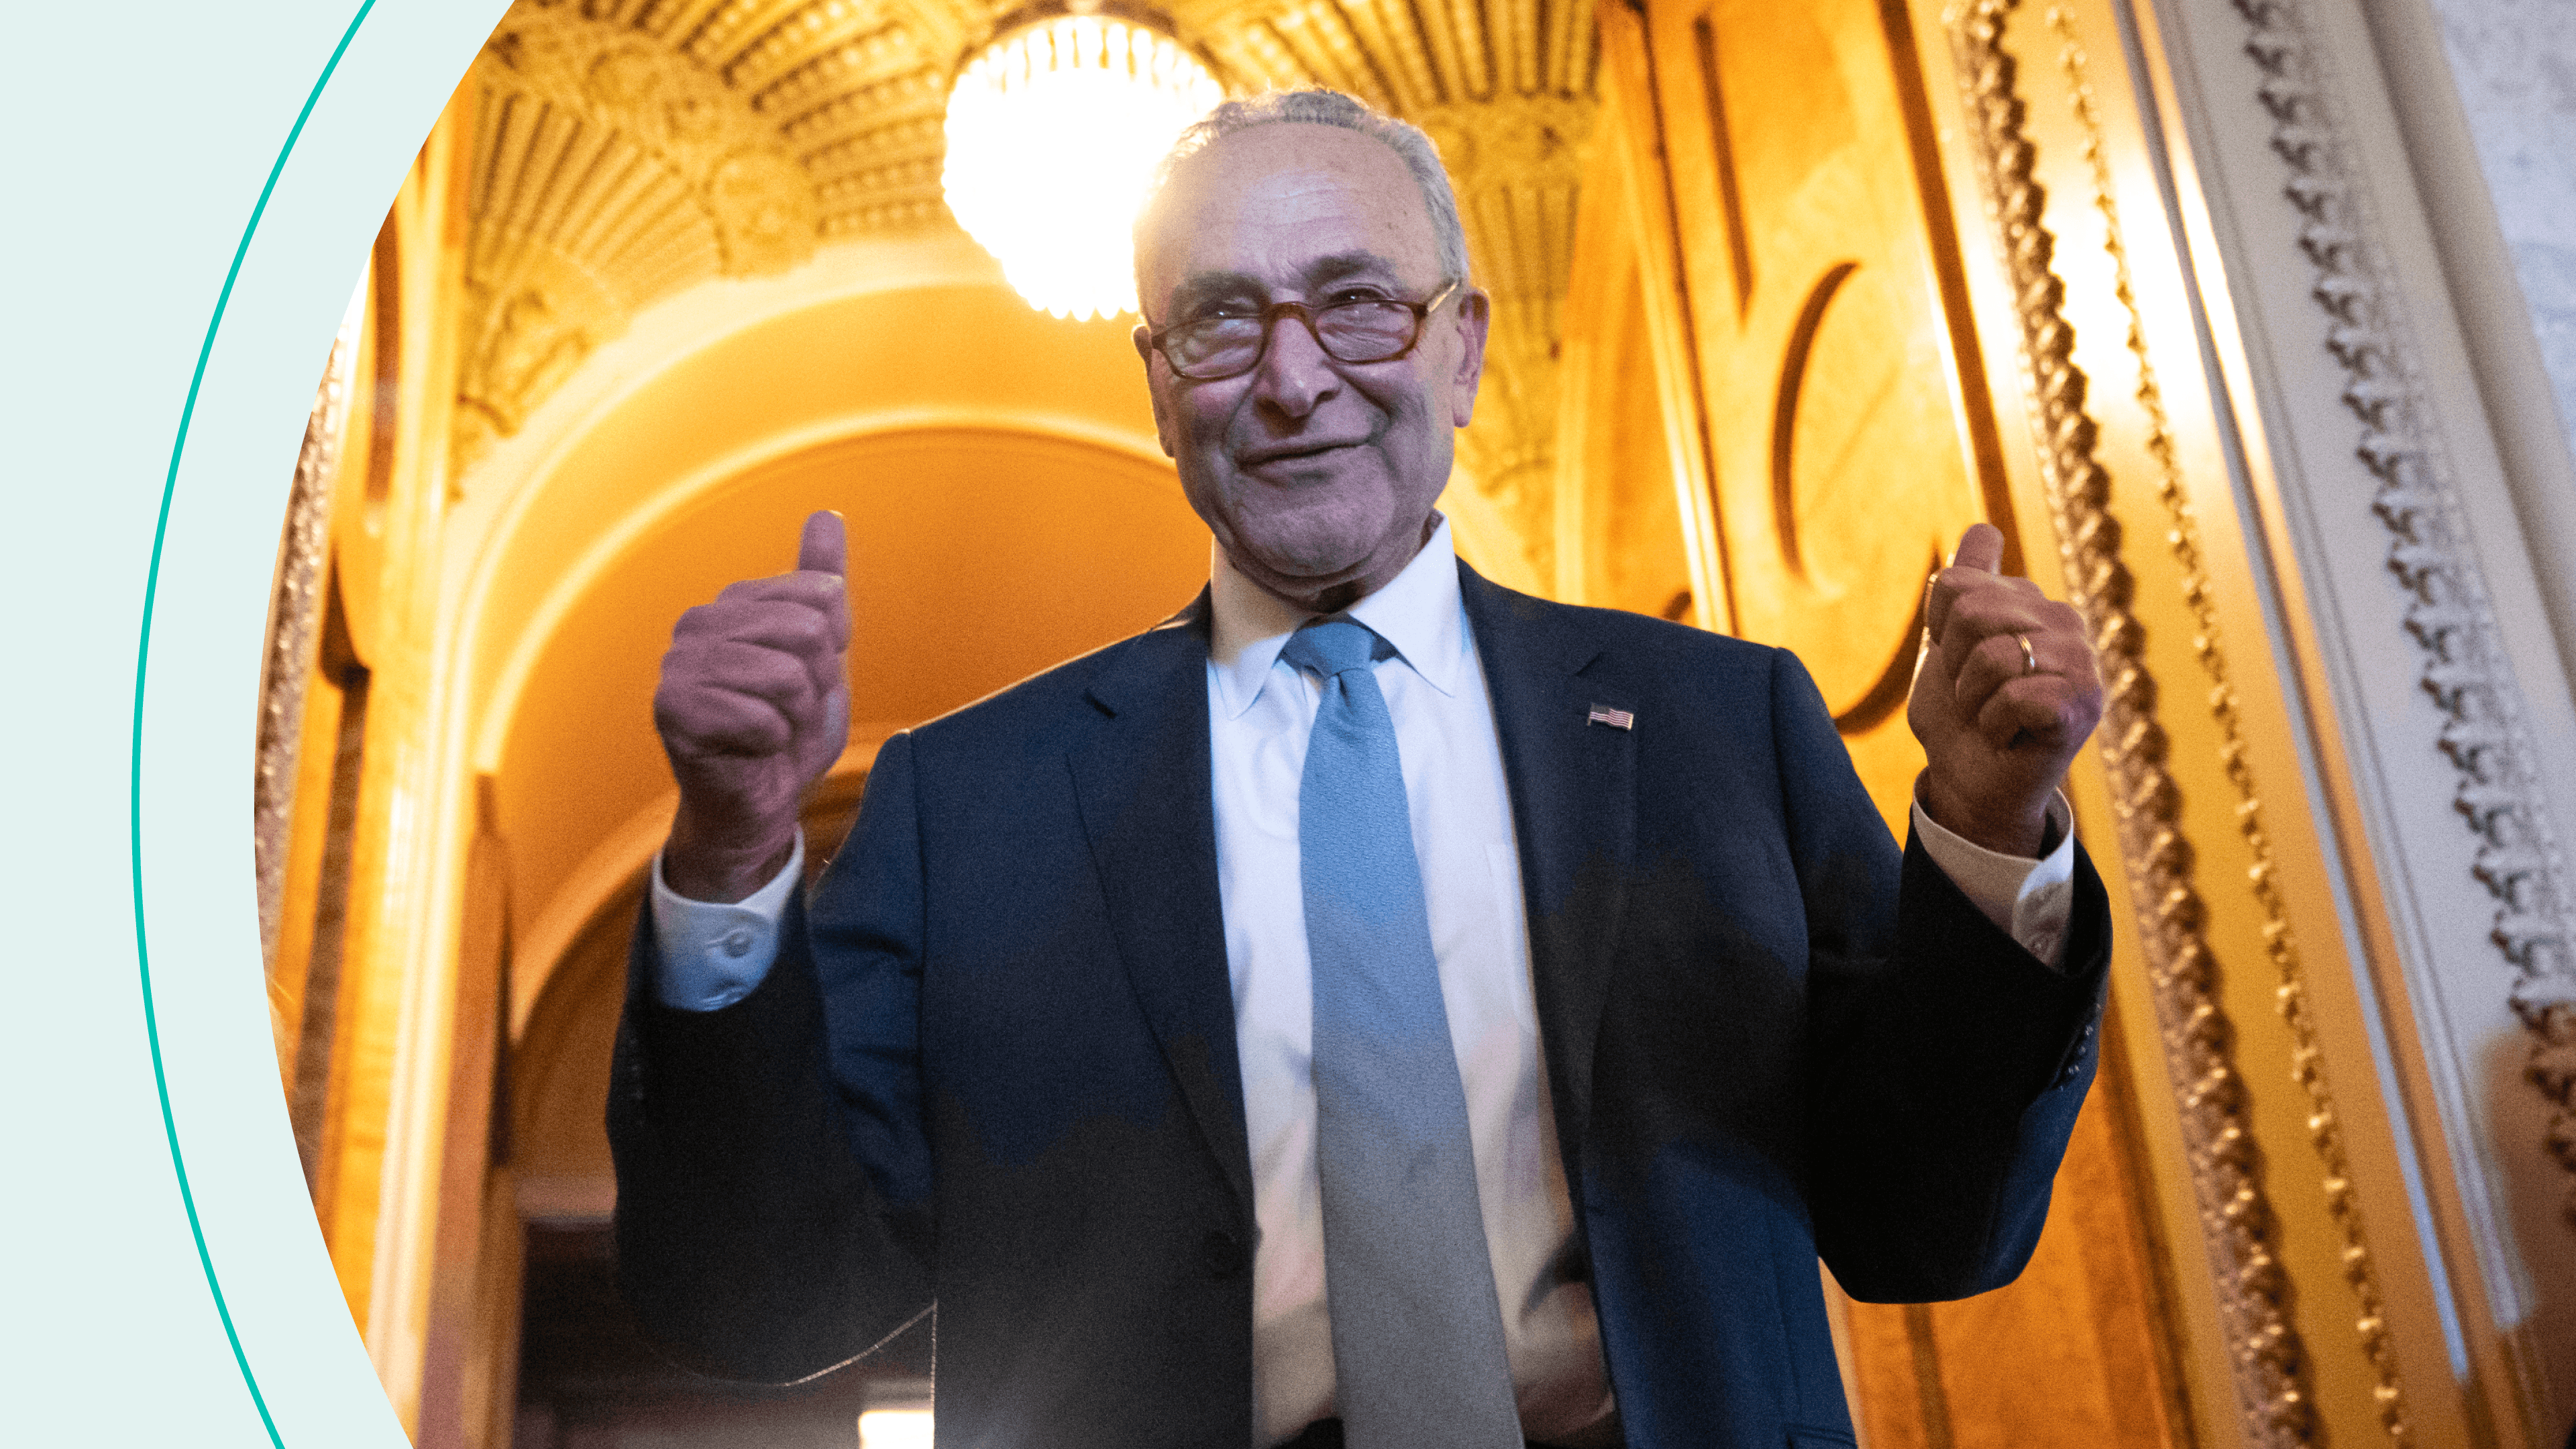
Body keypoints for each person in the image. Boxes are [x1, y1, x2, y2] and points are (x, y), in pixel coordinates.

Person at [610, 89, 2112, 1449]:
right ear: (1157, 381)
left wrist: (1990, 828)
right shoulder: (970, 807)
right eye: (1217, 322)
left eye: (1355, 304)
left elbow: (1929, 1225)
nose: (1289, 377)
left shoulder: (1723, 725)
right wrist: (733, 857)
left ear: (1459, 348)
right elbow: (763, 1299)